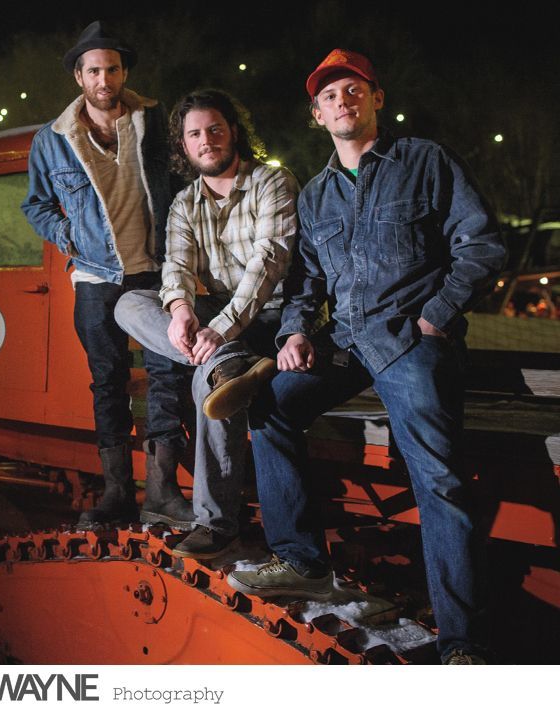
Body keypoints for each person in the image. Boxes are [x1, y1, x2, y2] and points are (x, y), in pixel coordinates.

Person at [227, 49, 508, 665]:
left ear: (376, 98)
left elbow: (481, 244)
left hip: (411, 339)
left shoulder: (424, 162)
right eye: (329, 96)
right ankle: (300, 558)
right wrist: (296, 334)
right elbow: (305, 283)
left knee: (438, 480)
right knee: (269, 404)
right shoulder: (318, 195)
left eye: (352, 90)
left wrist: (438, 313)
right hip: (348, 342)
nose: (342, 102)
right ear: (317, 115)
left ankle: (463, 645)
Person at [21, 21, 191, 528]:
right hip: (94, 276)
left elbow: (182, 178)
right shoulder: (51, 140)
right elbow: (36, 205)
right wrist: (69, 237)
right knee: (107, 382)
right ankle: (117, 491)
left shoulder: (153, 120)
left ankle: (162, 489)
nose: (104, 78)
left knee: (167, 374)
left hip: (153, 271)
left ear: (123, 72)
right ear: (79, 76)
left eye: (112, 68)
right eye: (94, 69)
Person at [115, 90, 298, 558]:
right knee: (129, 304)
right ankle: (225, 362)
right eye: (194, 133)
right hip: (216, 323)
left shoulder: (271, 183)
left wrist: (220, 330)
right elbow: (176, 267)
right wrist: (180, 312)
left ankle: (216, 525)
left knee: (208, 387)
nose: (207, 140)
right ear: (184, 144)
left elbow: (268, 264)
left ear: (233, 131)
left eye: (215, 129)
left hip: (268, 314)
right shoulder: (184, 204)